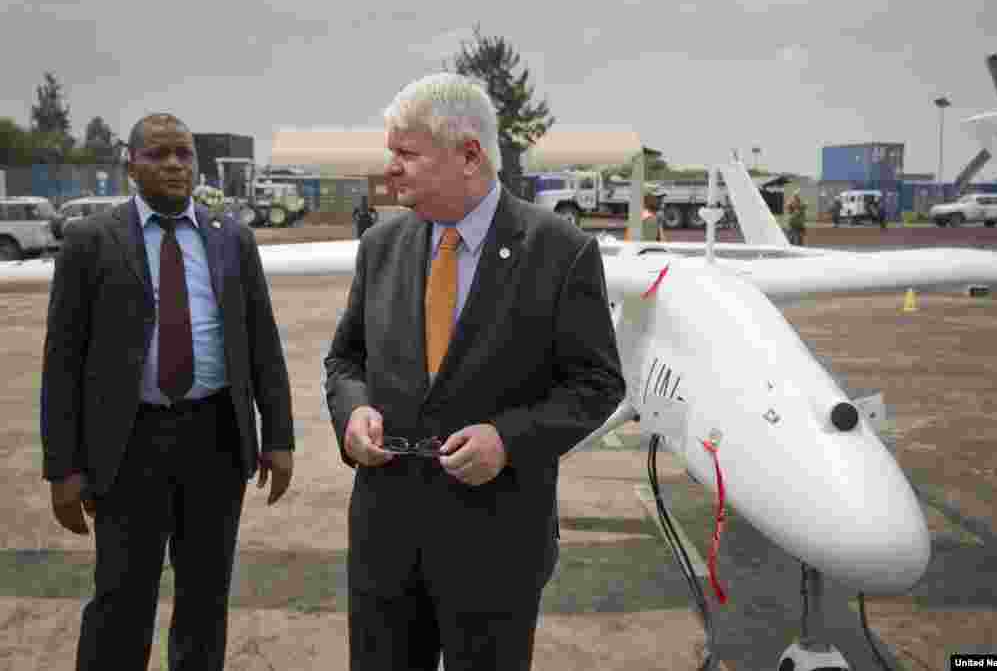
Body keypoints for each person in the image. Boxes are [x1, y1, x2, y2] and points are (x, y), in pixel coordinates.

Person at [324, 73, 626, 671]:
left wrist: (508, 440)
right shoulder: (380, 245)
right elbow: (345, 359)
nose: (391, 169)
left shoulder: (560, 251)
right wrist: (353, 410)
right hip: (386, 541)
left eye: (406, 154)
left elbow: (597, 384)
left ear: (468, 156)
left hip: (497, 545)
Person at [40, 113, 295, 671]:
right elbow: (62, 361)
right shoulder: (90, 241)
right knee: (122, 597)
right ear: (130, 164)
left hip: (217, 441)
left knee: (206, 598)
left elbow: (263, 347)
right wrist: (63, 468)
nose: (175, 164)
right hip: (128, 444)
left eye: (183, 153)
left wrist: (279, 438)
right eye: (158, 154)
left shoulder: (233, 240)